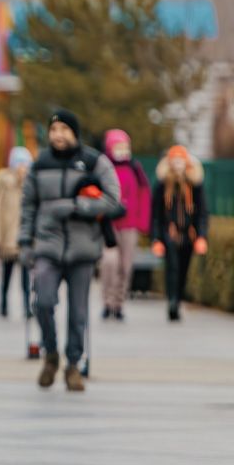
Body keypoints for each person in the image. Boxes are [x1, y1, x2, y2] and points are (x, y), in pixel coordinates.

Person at [19, 109, 123, 392]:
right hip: (47, 246)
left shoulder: (94, 162)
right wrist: (25, 242)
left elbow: (114, 201)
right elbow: (28, 205)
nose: (58, 135)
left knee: (78, 313)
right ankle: (50, 353)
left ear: (74, 132)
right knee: (42, 301)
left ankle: (73, 364)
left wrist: (78, 207)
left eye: (64, 129)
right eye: (54, 130)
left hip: (82, 248)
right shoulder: (40, 164)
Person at [151, 145, 209, 322]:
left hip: (189, 234)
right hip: (170, 232)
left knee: (183, 269)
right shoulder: (162, 184)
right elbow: (156, 214)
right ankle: (173, 302)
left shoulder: (195, 184)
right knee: (173, 267)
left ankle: (179, 297)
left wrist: (201, 236)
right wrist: (156, 238)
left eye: (180, 160)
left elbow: (202, 212)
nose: (177, 164)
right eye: (174, 160)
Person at [100, 129, 152, 321]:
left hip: (130, 225)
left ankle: (118, 303)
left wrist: (142, 223)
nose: (122, 150)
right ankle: (106, 301)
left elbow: (144, 196)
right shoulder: (104, 168)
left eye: (125, 146)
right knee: (109, 263)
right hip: (109, 224)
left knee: (125, 266)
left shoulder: (135, 169)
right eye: (118, 146)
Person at [0, 146, 33, 318]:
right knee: (6, 274)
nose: (23, 168)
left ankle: (27, 306)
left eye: (26, 164)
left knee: (26, 277)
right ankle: (4, 303)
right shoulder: (5, 182)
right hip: (7, 238)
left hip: (24, 239)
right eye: (20, 164)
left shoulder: (31, 185)